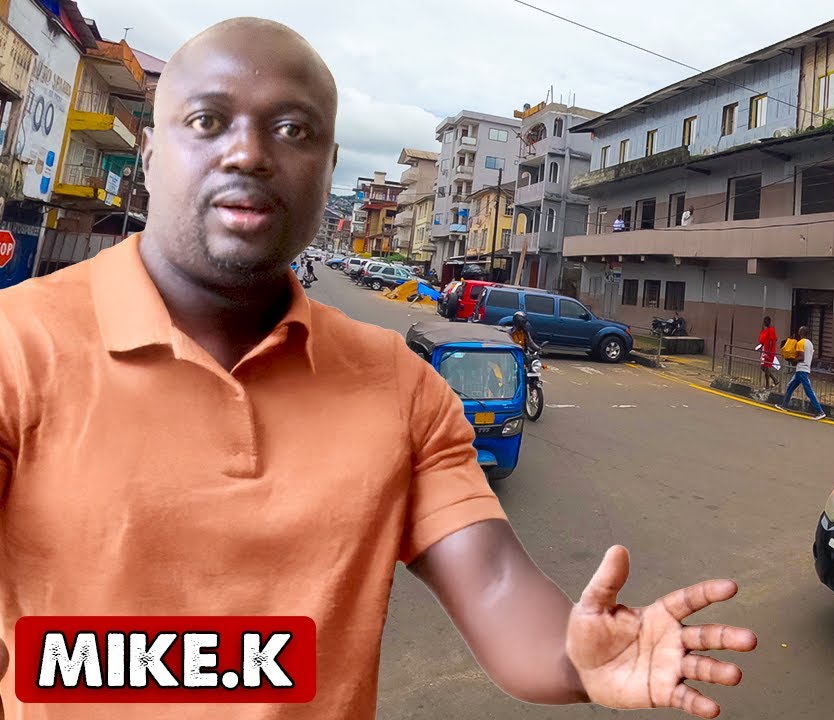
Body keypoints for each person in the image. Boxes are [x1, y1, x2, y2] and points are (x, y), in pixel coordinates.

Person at [0, 18, 756, 720]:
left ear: (327, 169)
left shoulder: (398, 386)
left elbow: (491, 581)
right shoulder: (19, 345)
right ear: (152, 152)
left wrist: (578, 658)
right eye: (207, 120)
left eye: (292, 129)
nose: (250, 152)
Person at [776, 326, 825, 420]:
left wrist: (792, 359)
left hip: (802, 369)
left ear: (801, 332)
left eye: (799, 330)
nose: (798, 331)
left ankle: (820, 411)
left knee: (808, 391)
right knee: (790, 386)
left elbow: (801, 357)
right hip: (803, 369)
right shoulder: (810, 343)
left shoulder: (800, 343)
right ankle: (784, 405)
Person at [757, 316, 779, 392]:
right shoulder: (766, 331)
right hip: (765, 350)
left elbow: (772, 340)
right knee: (764, 367)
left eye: (765, 321)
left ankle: (769, 383)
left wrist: (768, 351)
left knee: (765, 367)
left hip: (769, 352)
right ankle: (773, 380)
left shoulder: (771, 330)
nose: (764, 323)